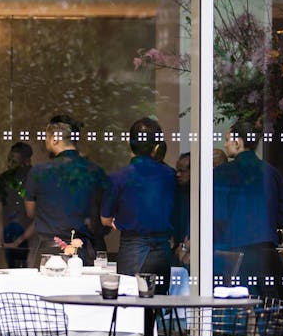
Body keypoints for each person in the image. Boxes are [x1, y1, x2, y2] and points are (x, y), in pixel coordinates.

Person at [20, 114, 109, 267]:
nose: (45, 141)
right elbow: (105, 214)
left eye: (46, 138)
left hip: (48, 252)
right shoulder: (95, 171)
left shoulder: (39, 171)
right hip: (83, 250)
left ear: (55, 139)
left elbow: (30, 212)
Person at [214, 121, 283, 297]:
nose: (225, 144)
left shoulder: (222, 173)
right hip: (267, 252)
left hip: (235, 252)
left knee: (235, 311)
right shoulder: (272, 173)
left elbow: (217, 216)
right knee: (269, 310)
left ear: (238, 142)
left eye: (227, 140)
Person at [100, 118, 177, 288]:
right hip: (162, 248)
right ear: (157, 147)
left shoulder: (118, 177)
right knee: (158, 303)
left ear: (129, 143)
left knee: (131, 303)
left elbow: (105, 219)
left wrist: (119, 222)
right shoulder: (170, 175)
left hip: (132, 247)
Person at [0, 142, 33, 268]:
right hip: (9, 234)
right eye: (9, 160)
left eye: (15, 161)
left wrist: (21, 239)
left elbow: (38, 214)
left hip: (32, 236)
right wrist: (0, 241)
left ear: (26, 161)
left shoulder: (34, 178)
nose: (10, 164)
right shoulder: (2, 180)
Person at [171, 152, 191, 267]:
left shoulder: (202, 196)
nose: (177, 174)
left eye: (182, 171)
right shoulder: (176, 192)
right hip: (175, 251)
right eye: (177, 170)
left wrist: (185, 247)